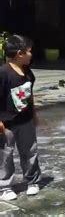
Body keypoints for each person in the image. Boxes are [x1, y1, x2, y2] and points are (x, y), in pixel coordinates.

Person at [0, 35, 41, 201]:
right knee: (5, 155)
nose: (32, 54)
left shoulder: (27, 72)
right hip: (7, 123)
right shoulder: (3, 74)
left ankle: (32, 180)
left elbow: (30, 95)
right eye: (29, 52)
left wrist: (34, 114)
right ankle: (4, 186)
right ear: (20, 54)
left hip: (25, 120)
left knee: (30, 150)